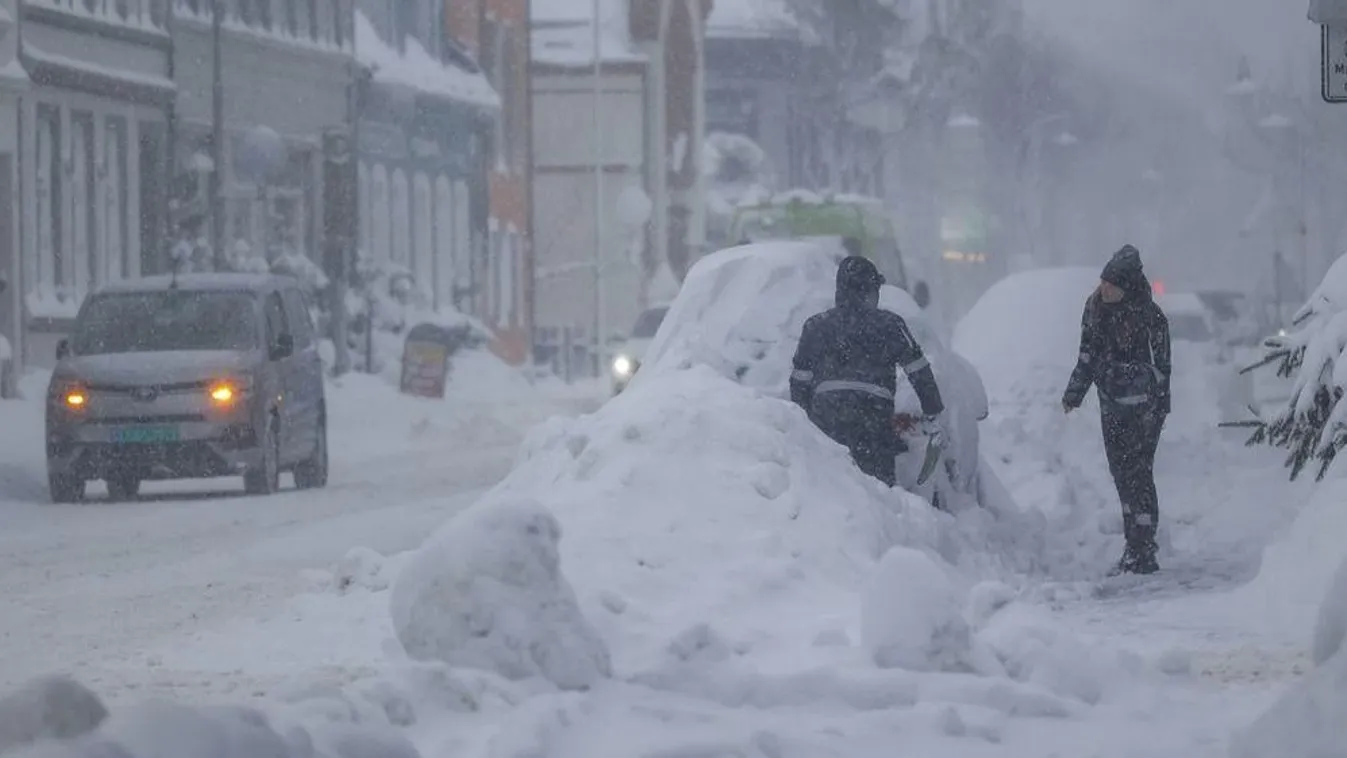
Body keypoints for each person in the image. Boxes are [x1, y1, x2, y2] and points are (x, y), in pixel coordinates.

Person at [1062, 244, 1172, 575]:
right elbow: (1087, 355)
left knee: (1139, 474)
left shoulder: (1150, 316)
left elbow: (1164, 366)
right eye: (1103, 282)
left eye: (1111, 284)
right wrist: (1074, 393)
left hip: (1144, 410)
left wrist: (1160, 404)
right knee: (1122, 475)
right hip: (1111, 405)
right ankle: (1134, 544)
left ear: (1126, 287)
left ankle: (1143, 549)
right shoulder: (1094, 309)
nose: (1104, 288)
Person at [790, 255, 945, 487]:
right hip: (872, 418)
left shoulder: (816, 326)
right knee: (878, 492)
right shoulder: (890, 325)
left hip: (827, 419)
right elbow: (918, 371)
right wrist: (933, 409)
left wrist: (803, 420)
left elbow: (800, 381)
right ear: (871, 290)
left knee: (827, 486)